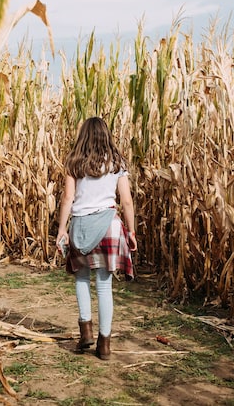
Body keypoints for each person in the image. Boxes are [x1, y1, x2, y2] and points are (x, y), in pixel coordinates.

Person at [55, 117, 137, 360]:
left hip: (81, 224)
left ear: (83, 136)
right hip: (109, 226)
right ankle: (104, 346)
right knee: (104, 287)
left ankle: (86, 332)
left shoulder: (74, 163)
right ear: (106, 135)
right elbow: (127, 201)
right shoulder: (117, 163)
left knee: (81, 279)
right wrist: (131, 231)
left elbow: (68, 198)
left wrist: (62, 229)